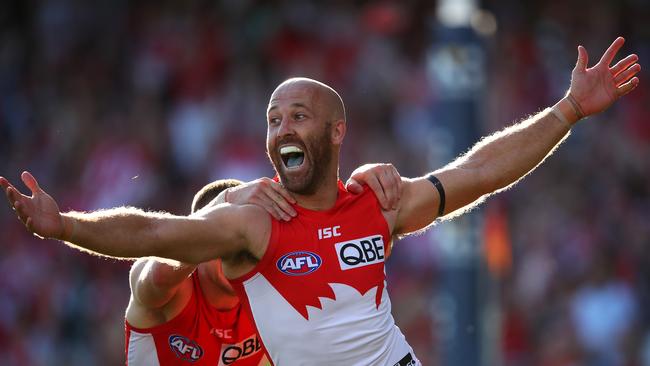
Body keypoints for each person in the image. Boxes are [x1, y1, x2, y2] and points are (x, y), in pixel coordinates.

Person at [1, 37, 640, 365]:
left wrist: (568, 111)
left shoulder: (377, 204)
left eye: (297, 116)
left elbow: (475, 172)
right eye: (273, 119)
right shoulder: (249, 228)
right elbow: (156, 236)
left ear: (336, 131)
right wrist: (64, 227)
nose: (281, 129)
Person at [125, 166, 402, 366]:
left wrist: (365, 185)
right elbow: (158, 277)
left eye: (241, 241)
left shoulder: (269, 295)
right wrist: (226, 203)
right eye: (223, 241)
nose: (233, 252)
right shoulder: (173, 286)